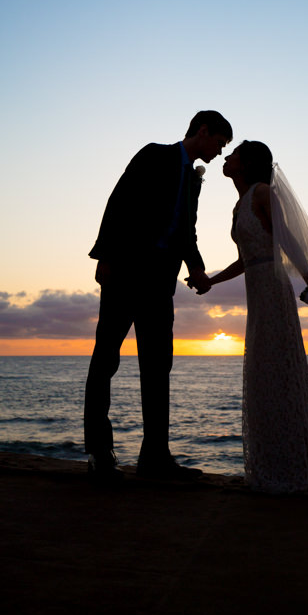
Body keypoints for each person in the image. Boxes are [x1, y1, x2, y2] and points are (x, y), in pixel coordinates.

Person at [84, 110, 232, 484]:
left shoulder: (194, 181)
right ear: (203, 131)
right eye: (219, 142)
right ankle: (100, 454)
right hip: (124, 274)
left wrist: (196, 268)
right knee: (106, 361)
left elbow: (187, 232)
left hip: (159, 285)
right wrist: (104, 257)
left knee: (157, 367)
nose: (219, 151)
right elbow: (118, 202)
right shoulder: (154, 154)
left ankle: (155, 458)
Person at [208, 140, 308, 494]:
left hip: (274, 293)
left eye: (233, 155)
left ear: (246, 164)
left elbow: (288, 243)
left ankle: (293, 465)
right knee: (263, 372)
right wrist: (210, 281)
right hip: (256, 292)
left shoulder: (263, 192)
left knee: (279, 369)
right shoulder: (238, 204)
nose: (226, 158)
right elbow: (245, 259)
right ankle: (271, 464)